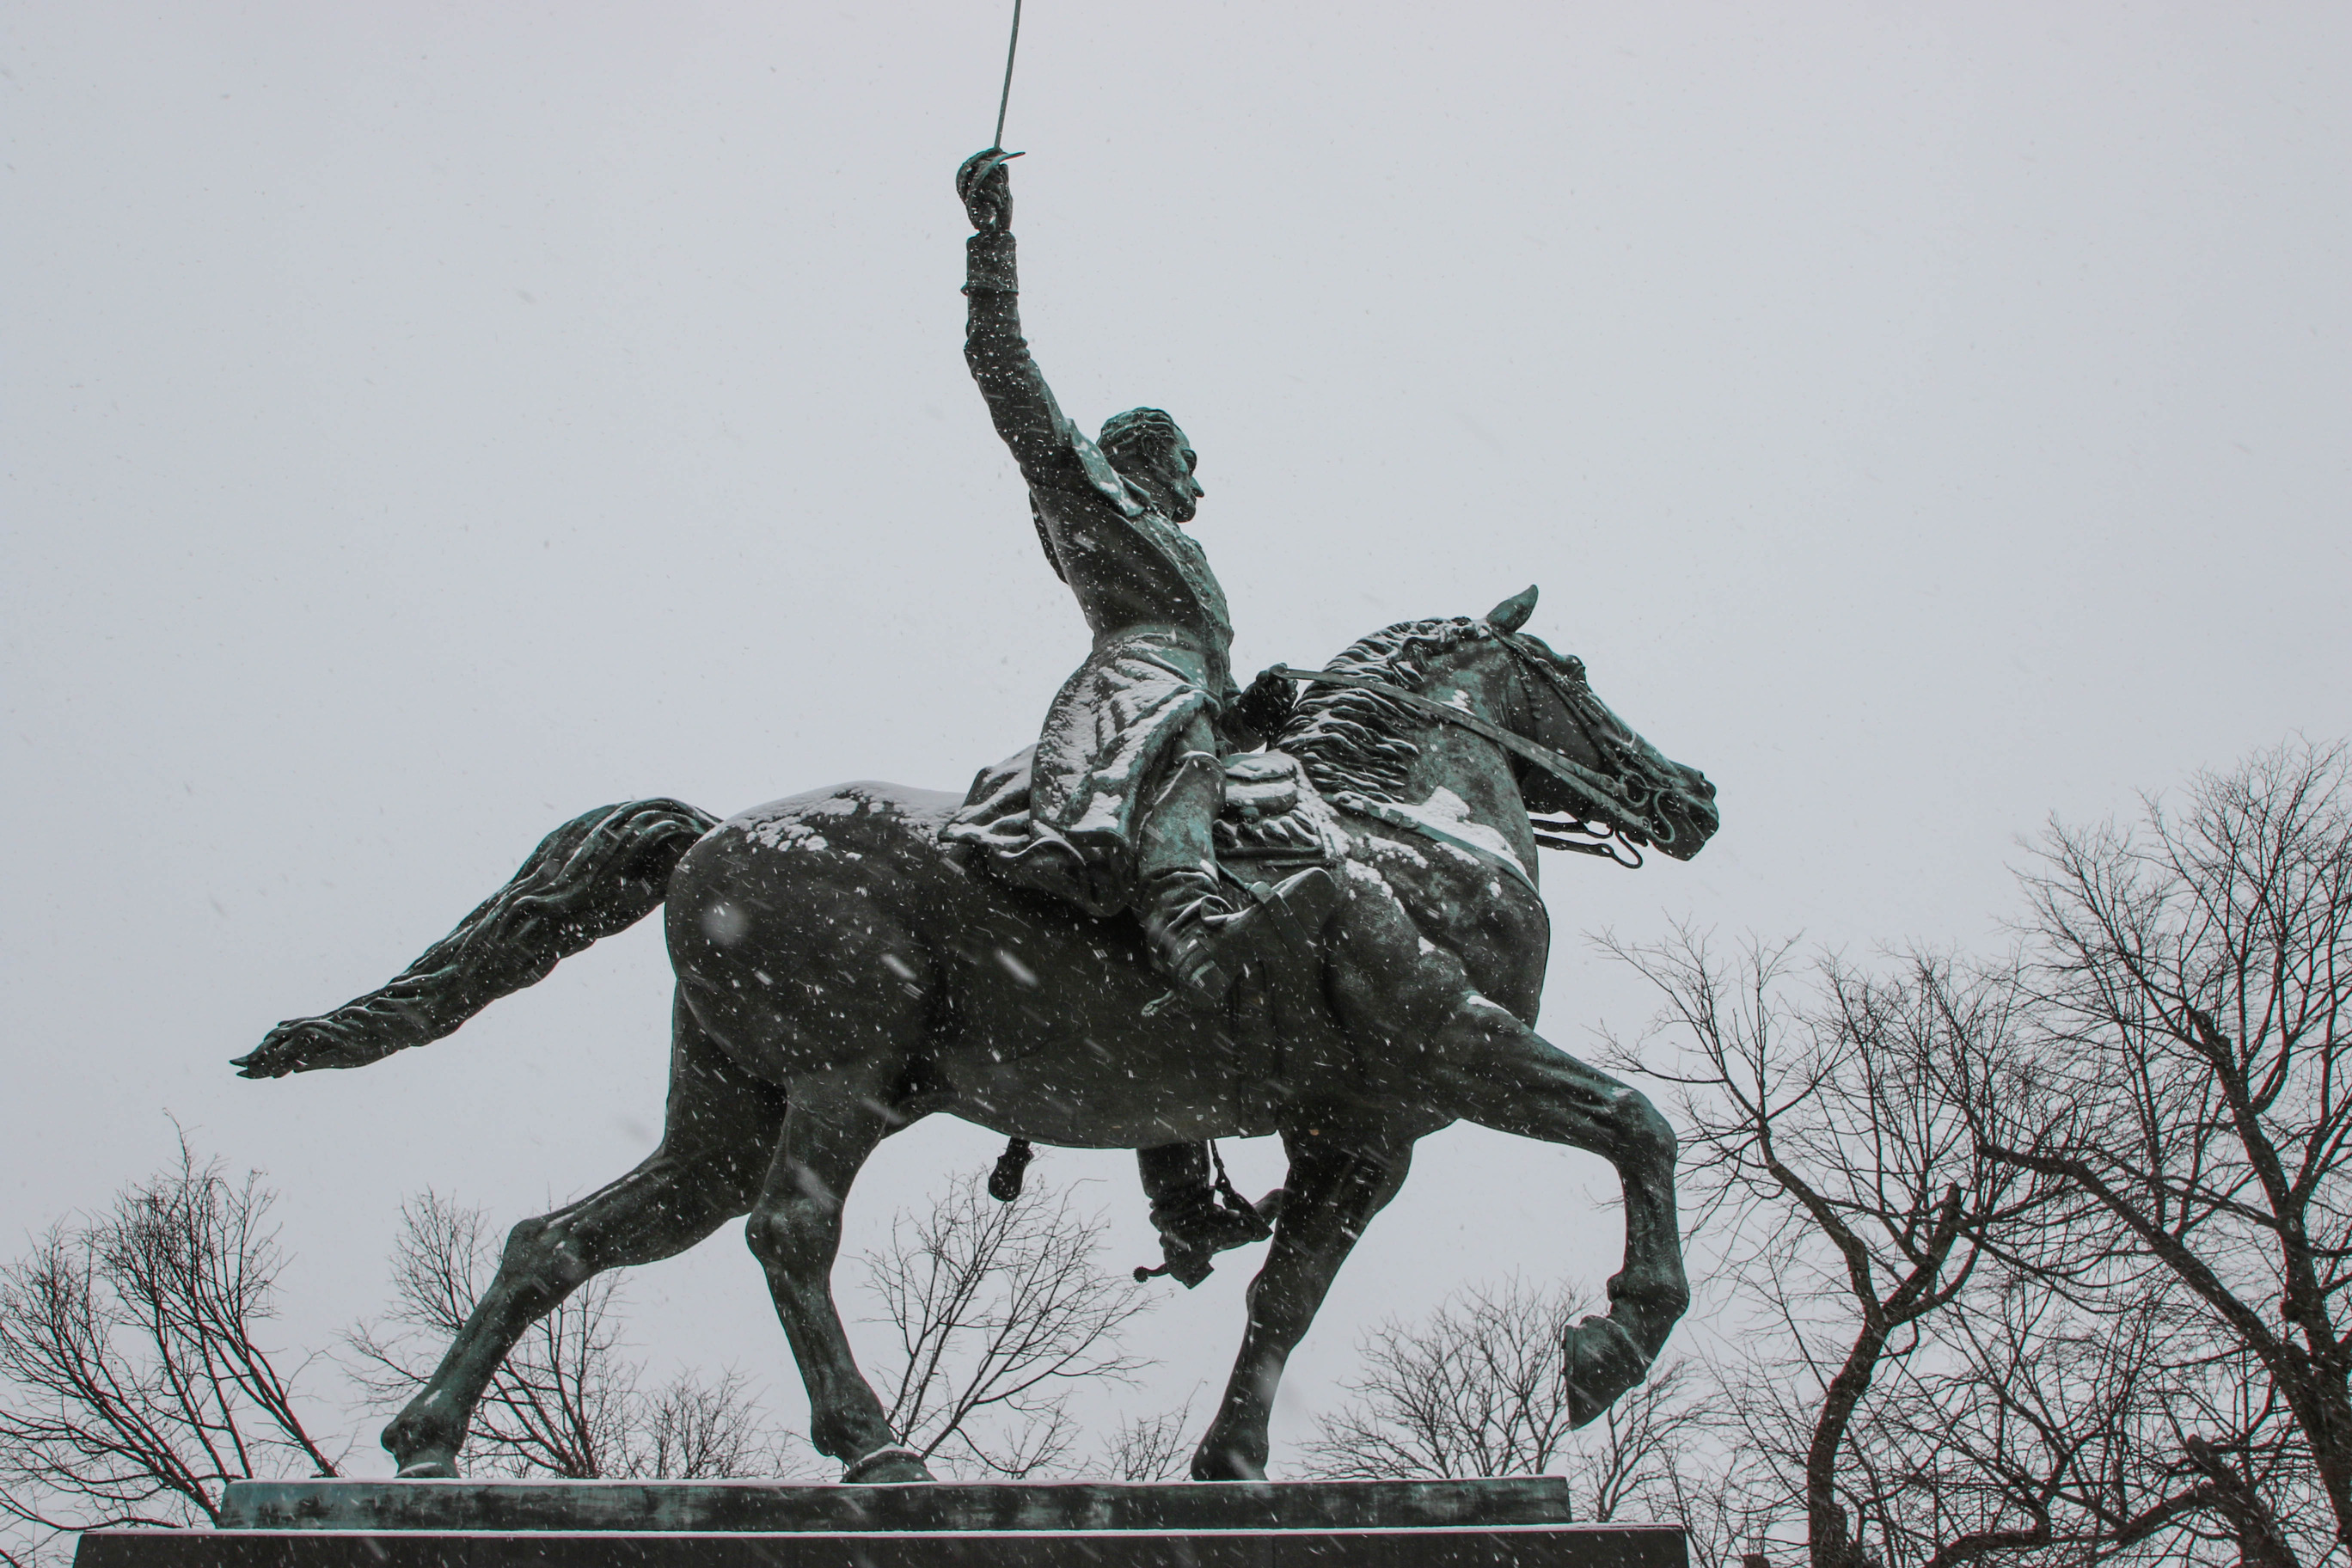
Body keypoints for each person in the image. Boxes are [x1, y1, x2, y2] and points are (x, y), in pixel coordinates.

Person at [947, 147, 1318, 1272]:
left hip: (1188, 710)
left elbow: (1215, 707)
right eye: (1191, 462)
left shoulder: (1185, 551)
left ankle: (1184, 1185)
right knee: (1188, 784)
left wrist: (1251, 713)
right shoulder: (1085, 486)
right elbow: (1006, 376)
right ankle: (1186, 919)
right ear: (1147, 459)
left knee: (1254, 801)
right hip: (1134, 701)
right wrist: (991, 244)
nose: (1202, 484)